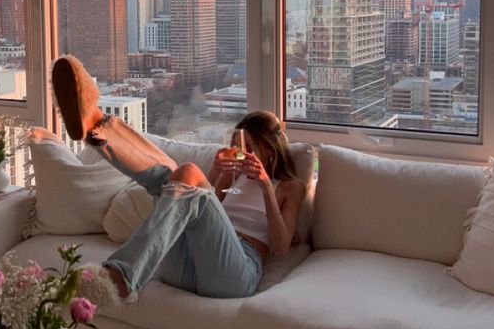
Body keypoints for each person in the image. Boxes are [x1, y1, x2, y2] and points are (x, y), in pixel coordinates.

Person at [52, 55, 305, 303]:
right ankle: (96, 124)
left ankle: (123, 274)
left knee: (187, 172)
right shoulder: (234, 176)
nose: (244, 153)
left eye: (250, 147)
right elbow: (201, 211)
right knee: (167, 177)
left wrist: (264, 185)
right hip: (189, 266)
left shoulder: (290, 188)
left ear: (270, 149)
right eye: (240, 145)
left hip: (235, 274)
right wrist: (219, 174)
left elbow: (281, 246)